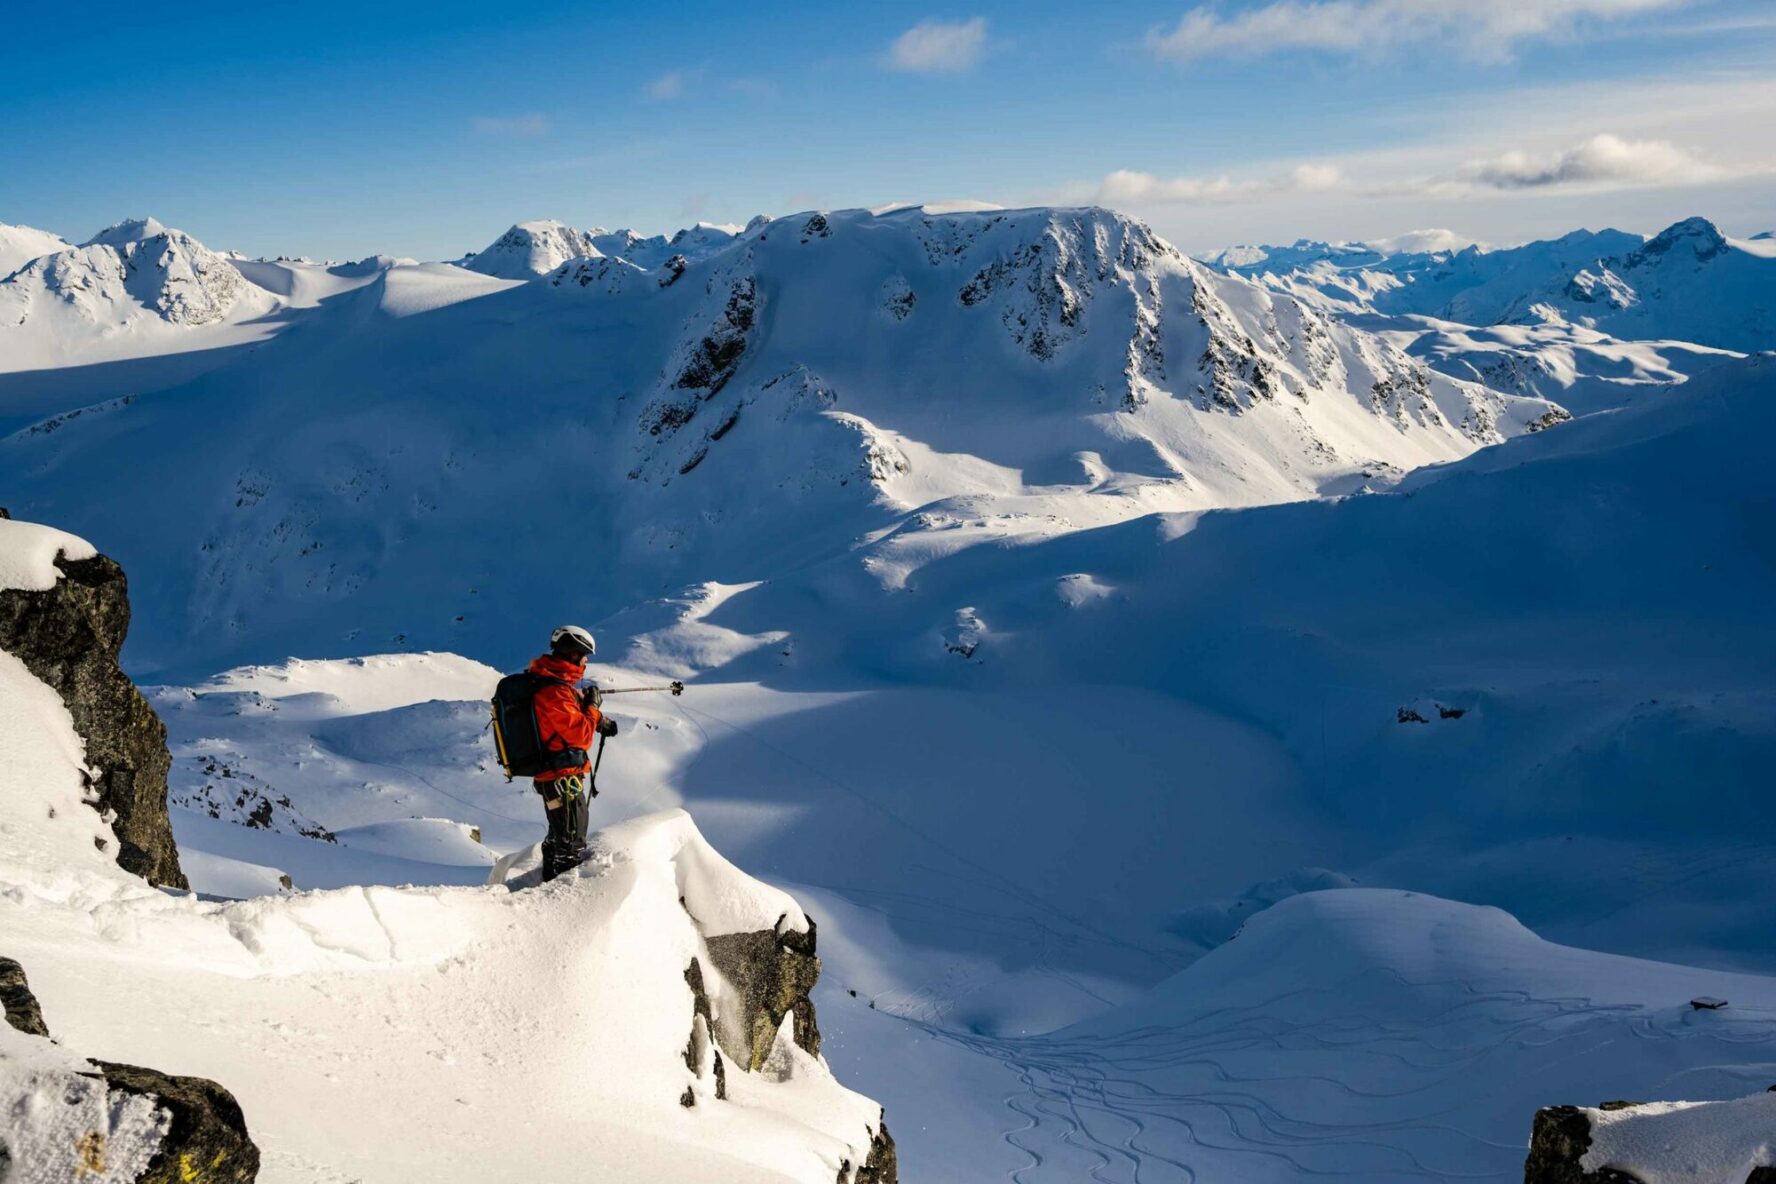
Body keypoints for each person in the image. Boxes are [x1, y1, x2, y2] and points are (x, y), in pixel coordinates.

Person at [529, 625, 618, 881]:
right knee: (569, 847)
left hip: (558, 775)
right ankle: (561, 906)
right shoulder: (553, 690)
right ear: (572, 655)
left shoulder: (557, 686)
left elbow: (572, 717)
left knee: (560, 837)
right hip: (561, 777)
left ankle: (546, 886)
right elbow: (580, 735)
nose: (586, 661)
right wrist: (591, 707)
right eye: (584, 655)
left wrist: (598, 717)